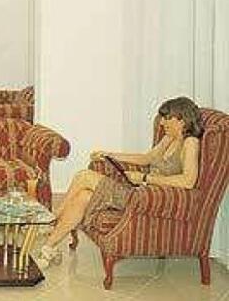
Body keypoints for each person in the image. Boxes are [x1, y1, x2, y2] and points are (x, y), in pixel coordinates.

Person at [37, 96, 202, 268]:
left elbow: (188, 181)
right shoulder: (170, 138)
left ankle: (53, 217)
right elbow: (146, 158)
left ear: (182, 120)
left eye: (167, 118)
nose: (161, 123)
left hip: (149, 198)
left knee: (84, 176)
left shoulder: (190, 142)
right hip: (139, 191)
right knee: (83, 197)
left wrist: (145, 178)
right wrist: (109, 155)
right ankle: (49, 247)